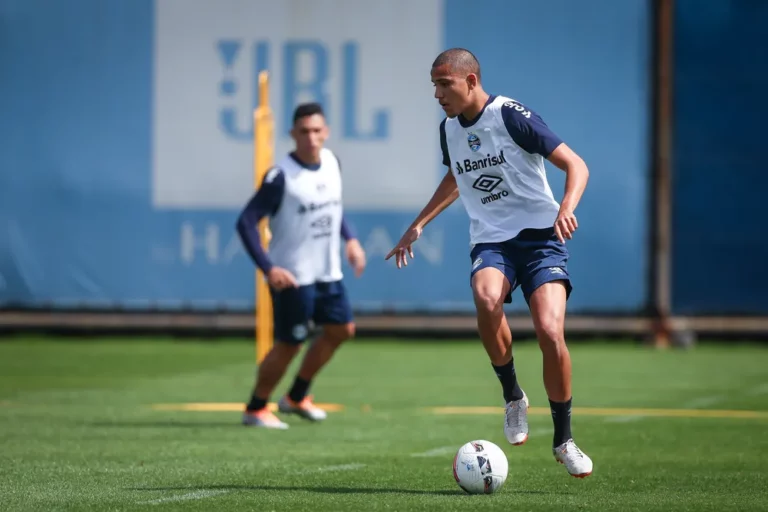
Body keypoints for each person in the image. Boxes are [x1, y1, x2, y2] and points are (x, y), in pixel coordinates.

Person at [385, 48, 593, 477]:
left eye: (444, 85)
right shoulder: (448, 129)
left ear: (471, 81)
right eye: (434, 86)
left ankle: (564, 439)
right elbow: (456, 177)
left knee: (550, 331)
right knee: (485, 297)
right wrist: (418, 224)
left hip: (541, 239)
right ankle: (513, 395)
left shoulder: (511, 116)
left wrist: (566, 207)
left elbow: (576, 165)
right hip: (492, 240)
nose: (437, 95)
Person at [236, 102, 366, 429]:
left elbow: (333, 207)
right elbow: (246, 221)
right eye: (304, 131)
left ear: (326, 132)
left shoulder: (332, 162)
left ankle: (296, 396)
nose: (311, 137)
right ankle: (255, 408)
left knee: (342, 330)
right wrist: (269, 268)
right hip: (293, 276)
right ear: (293, 134)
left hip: (327, 271)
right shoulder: (280, 177)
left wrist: (350, 239)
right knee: (290, 343)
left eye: (317, 130)